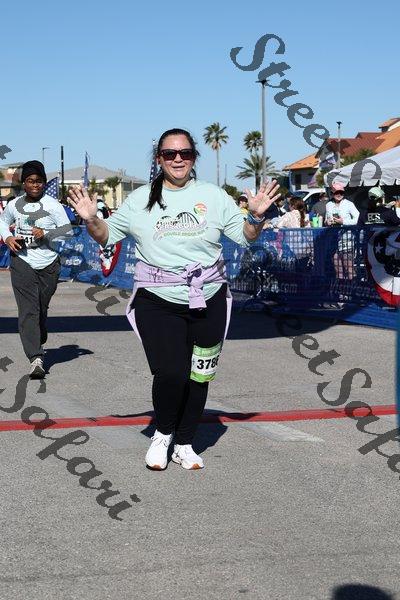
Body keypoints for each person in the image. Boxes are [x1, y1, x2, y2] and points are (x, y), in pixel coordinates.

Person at [68, 128, 280, 471]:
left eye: (185, 153)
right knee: (171, 372)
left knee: (199, 375)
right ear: (159, 159)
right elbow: (106, 235)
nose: (178, 159)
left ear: (194, 158)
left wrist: (255, 217)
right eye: (170, 154)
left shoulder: (213, 196)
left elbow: (246, 237)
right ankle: (163, 433)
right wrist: (92, 218)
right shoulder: (140, 199)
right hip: (157, 298)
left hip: (208, 296)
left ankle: (184, 442)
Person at [0, 160, 72, 378]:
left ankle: (38, 331)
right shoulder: (14, 204)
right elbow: (2, 222)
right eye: (30, 181)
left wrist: (46, 234)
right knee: (28, 310)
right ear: (24, 183)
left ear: (44, 183)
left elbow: (68, 230)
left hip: (49, 263)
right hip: (22, 261)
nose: (35, 185)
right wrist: (8, 237)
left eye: (39, 181)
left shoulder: (52, 205)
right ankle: (36, 358)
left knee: (40, 308)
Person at [325, 182, 359, 280]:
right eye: (336, 192)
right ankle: (341, 288)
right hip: (333, 240)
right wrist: (327, 222)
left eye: (341, 192)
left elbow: (357, 219)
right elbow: (326, 219)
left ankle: (353, 287)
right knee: (338, 270)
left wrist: (343, 222)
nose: (339, 194)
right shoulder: (328, 205)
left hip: (347, 240)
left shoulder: (349, 204)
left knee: (349, 268)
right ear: (332, 193)